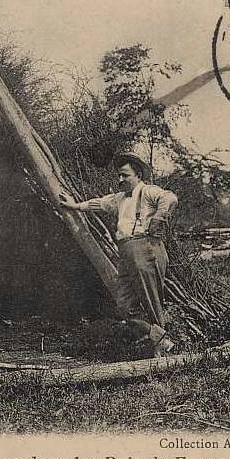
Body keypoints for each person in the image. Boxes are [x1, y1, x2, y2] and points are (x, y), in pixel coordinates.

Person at [59, 152, 178, 356]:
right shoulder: (119, 199)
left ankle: (161, 352)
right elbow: (97, 203)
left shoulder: (148, 191)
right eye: (119, 176)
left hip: (146, 247)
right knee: (124, 302)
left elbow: (170, 198)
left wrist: (159, 217)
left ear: (138, 175)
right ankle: (160, 337)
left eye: (125, 175)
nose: (121, 179)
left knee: (151, 300)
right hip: (126, 251)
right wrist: (74, 205)